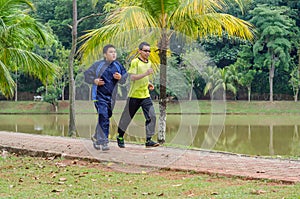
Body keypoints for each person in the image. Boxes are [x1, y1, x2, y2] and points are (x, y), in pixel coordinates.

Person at [84, 44, 127, 151]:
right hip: (98, 96)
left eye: (115, 52)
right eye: (111, 52)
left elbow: (124, 79)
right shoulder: (98, 65)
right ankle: (104, 142)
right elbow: (86, 75)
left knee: (106, 116)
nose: (113, 54)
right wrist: (95, 80)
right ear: (105, 54)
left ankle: (96, 137)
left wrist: (120, 77)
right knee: (103, 115)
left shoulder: (118, 65)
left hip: (112, 97)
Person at [116, 42, 159, 148]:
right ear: (139, 51)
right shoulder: (135, 62)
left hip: (145, 95)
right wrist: (146, 74)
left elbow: (144, 77)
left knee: (152, 117)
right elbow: (132, 77)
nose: (147, 53)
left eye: (149, 51)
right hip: (134, 96)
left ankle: (148, 140)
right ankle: (120, 136)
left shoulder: (148, 63)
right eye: (145, 50)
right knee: (126, 118)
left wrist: (148, 83)